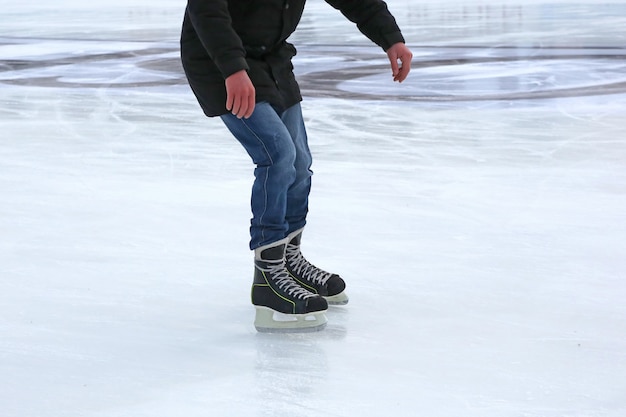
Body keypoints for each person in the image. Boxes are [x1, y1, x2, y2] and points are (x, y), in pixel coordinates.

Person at [180, 0, 413, 332]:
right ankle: (268, 275)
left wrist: (391, 38)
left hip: (270, 61)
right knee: (277, 155)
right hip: (219, 62)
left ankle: (289, 260)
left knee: (299, 164)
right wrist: (232, 68)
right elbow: (207, 8)